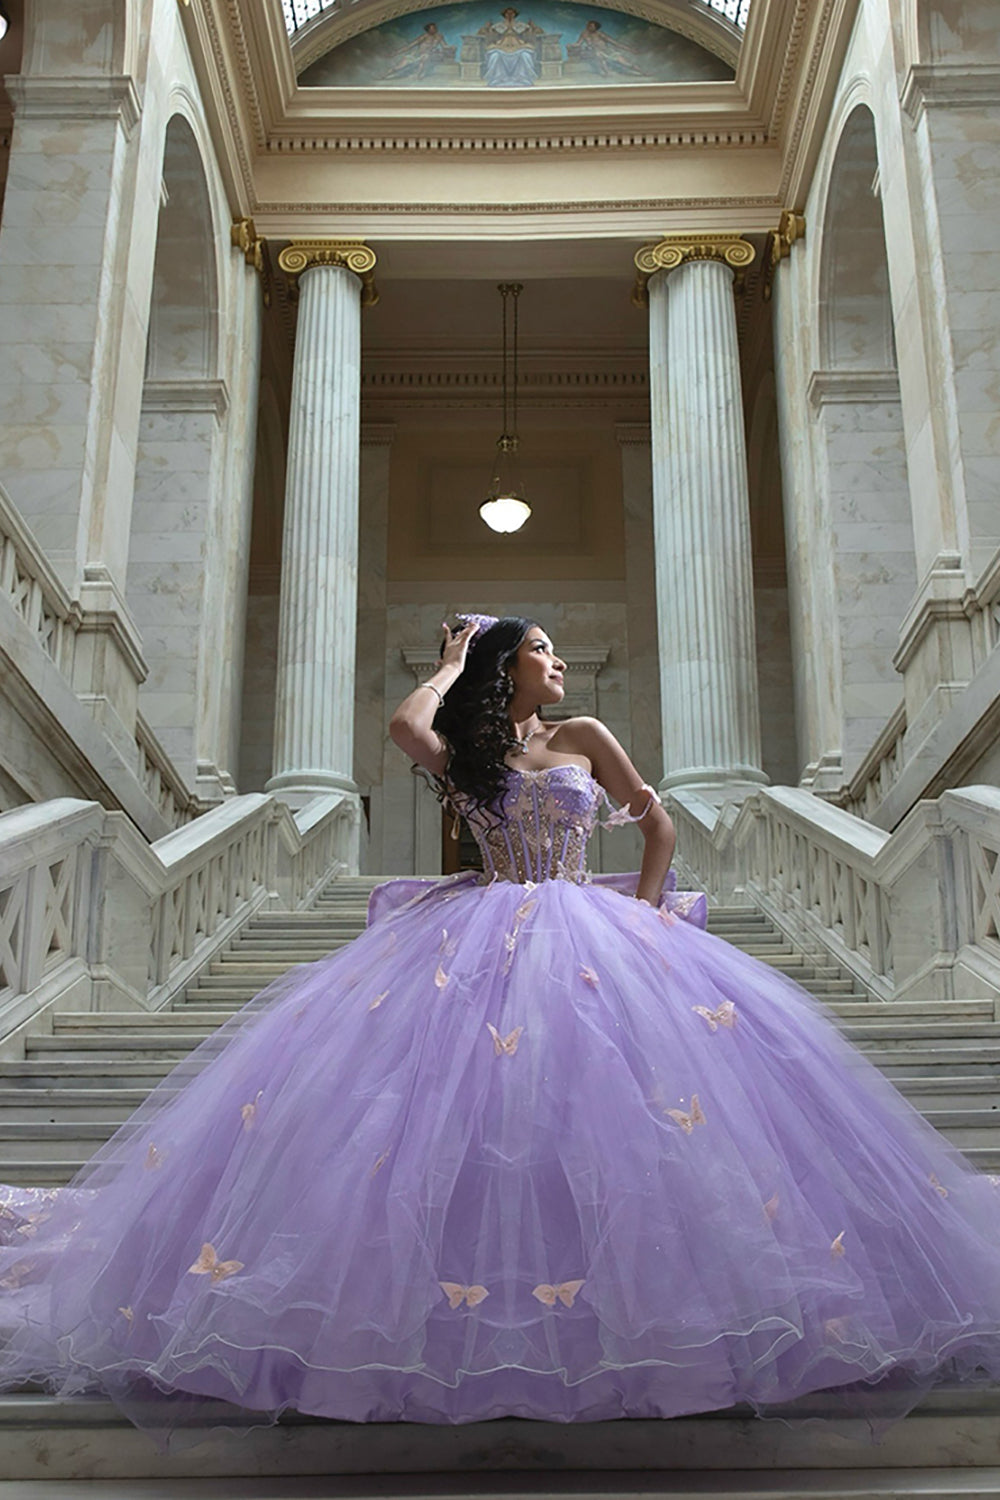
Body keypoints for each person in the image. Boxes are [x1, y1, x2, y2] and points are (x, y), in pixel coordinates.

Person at [3, 612, 1000, 1447]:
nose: (558, 664)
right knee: (449, 1122)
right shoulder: (468, 750)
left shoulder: (586, 735)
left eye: (560, 653)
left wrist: (648, 916)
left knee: (617, 1115)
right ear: (505, 666)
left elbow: (654, 823)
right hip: (476, 927)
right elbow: (403, 727)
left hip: (589, 925)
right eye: (542, 652)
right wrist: (447, 661)